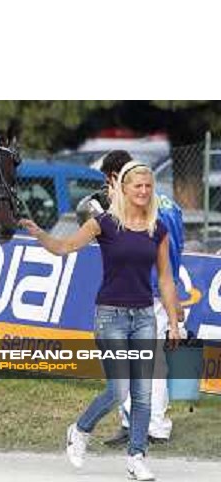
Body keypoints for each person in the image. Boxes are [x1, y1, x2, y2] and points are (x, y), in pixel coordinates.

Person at [21, 160, 181, 481]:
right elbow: (65, 246)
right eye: (137, 185)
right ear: (123, 188)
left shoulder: (157, 229)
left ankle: (136, 456)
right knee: (119, 389)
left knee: (143, 391)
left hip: (145, 318)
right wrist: (40, 233)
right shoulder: (104, 223)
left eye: (148, 186)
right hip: (111, 317)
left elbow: (165, 279)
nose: (144, 191)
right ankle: (79, 429)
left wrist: (174, 322)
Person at [77, 151, 185, 445]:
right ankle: (145, 424)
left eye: (107, 179)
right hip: (163, 288)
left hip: (139, 290)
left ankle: (146, 426)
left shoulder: (129, 208)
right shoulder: (171, 205)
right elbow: (178, 246)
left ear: (115, 177)